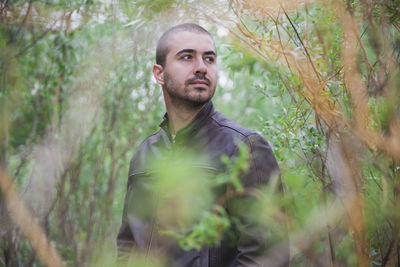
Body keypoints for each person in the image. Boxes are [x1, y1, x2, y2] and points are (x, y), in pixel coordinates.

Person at [117, 23, 289, 266]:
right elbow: (128, 245)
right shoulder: (144, 155)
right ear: (159, 73)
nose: (201, 68)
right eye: (187, 57)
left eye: (209, 59)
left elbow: (266, 256)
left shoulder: (246, 148)